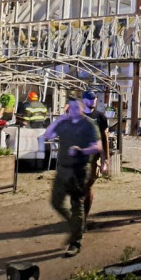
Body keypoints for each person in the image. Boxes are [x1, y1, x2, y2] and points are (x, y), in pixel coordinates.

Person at [43, 96, 101, 257]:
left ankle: (76, 242)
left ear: (82, 109)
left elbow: (98, 146)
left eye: (76, 108)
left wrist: (82, 151)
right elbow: (47, 135)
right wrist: (61, 118)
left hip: (79, 170)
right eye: (71, 108)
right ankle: (77, 225)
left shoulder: (89, 124)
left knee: (77, 205)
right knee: (56, 202)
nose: (73, 110)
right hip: (62, 169)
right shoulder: (65, 123)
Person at [81, 90, 108, 223]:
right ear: (84, 100)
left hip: (92, 158)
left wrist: (105, 159)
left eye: (95, 99)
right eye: (90, 99)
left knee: (87, 186)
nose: (93, 101)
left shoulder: (100, 117)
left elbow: (104, 138)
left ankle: (83, 217)